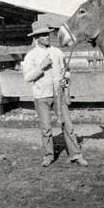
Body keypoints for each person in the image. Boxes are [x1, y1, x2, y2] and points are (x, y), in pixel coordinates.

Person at [22, 21, 88, 168]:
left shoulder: (57, 52)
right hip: (41, 96)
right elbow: (27, 77)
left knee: (68, 125)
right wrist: (41, 67)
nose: (47, 37)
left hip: (58, 94)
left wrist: (66, 80)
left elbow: (66, 70)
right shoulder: (31, 56)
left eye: (47, 34)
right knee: (46, 127)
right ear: (37, 38)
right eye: (43, 35)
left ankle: (76, 155)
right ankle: (48, 156)